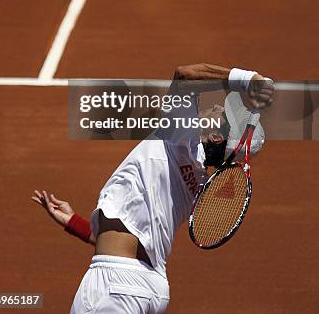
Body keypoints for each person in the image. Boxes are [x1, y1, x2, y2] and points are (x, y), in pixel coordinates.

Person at [32, 63, 274, 313]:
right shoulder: (198, 185)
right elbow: (130, 241)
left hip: (114, 285)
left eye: (221, 114)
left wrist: (247, 79)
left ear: (215, 136)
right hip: (149, 288)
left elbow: (184, 75)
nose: (215, 107)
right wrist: (73, 222)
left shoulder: (179, 137)